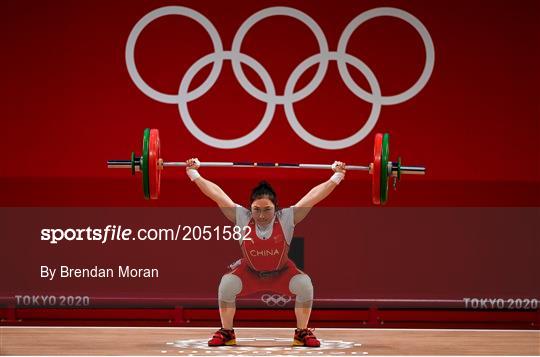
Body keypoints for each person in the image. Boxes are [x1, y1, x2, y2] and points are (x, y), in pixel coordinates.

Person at [185, 158, 346, 347]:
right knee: (226, 284)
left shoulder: (286, 217)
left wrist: (337, 176)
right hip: (250, 273)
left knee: (305, 285)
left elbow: (313, 197)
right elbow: (217, 195)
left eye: (267, 210)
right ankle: (227, 332)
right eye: (256, 210)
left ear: (276, 208)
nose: (261, 215)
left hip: (282, 273)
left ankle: (301, 332)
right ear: (249, 208)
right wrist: (194, 173)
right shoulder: (242, 217)